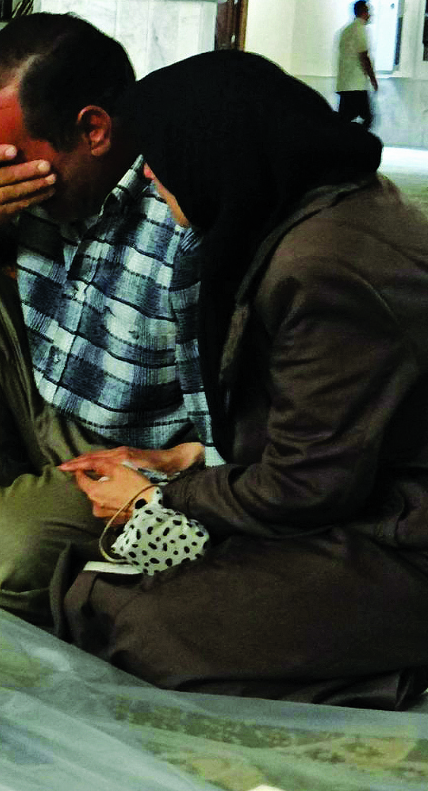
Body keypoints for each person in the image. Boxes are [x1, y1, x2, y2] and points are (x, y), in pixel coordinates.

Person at [59, 50, 428, 709]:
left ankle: (394, 673)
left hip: (401, 540)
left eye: (161, 159)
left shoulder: (323, 264)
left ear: (217, 152)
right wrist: (186, 459)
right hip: (371, 504)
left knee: (136, 625)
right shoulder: (322, 210)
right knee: (112, 591)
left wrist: (164, 498)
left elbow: (306, 488)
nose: (151, 178)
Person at [0, 13, 202, 627]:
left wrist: (172, 472)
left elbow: (245, 449)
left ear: (93, 130)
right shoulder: (19, 182)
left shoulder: (181, 205)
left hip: (131, 458)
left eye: (15, 159)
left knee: (2, 551)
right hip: (50, 405)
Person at [337, 1, 379, 130]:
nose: (370, 15)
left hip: (344, 83)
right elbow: (364, 56)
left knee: (343, 121)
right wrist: (373, 79)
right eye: (368, 11)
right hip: (356, 84)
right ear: (363, 12)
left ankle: (343, 139)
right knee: (368, 118)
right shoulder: (360, 28)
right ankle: (357, 140)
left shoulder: (346, 31)